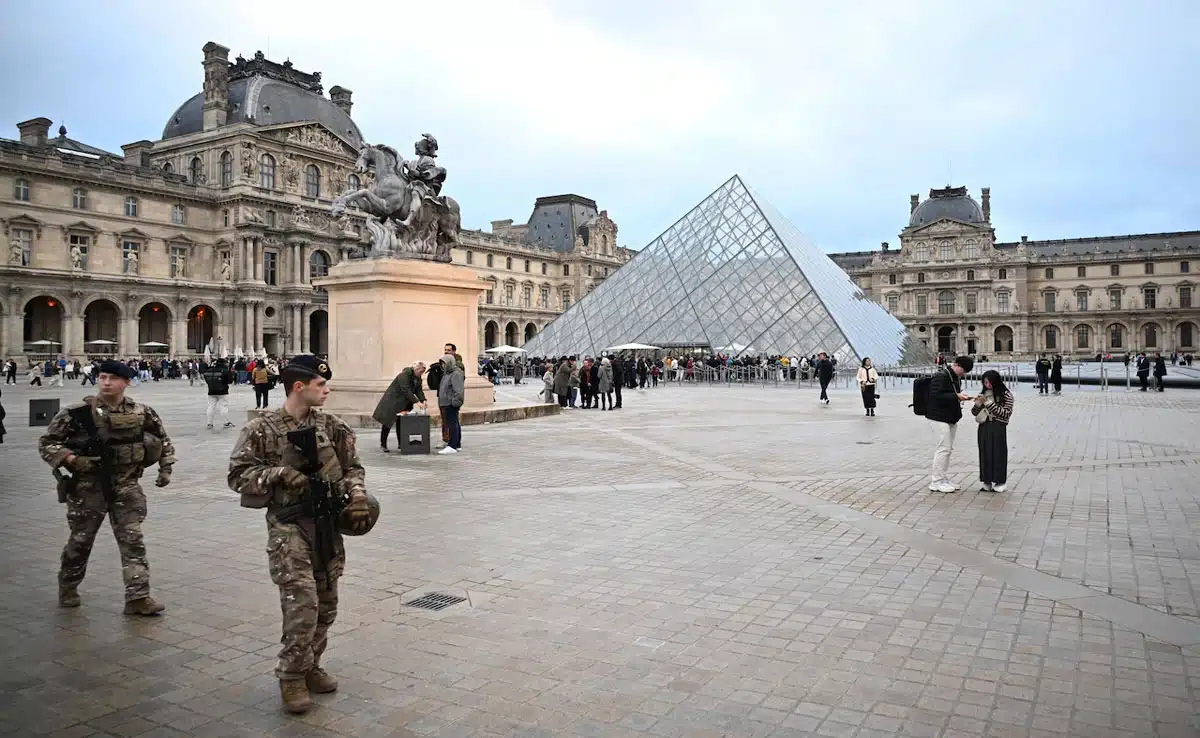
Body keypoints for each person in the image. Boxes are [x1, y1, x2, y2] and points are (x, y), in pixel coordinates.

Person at [227, 355, 373, 715]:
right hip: (289, 526)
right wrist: (275, 473)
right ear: (299, 386)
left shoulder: (333, 426)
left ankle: (310, 665)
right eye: (321, 385)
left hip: (327, 526)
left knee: (327, 604)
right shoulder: (261, 430)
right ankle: (291, 677)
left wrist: (356, 498)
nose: (326, 390)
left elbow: (354, 467)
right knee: (302, 605)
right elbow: (237, 476)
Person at [37, 359, 175, 613]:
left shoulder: (142, 412)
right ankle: (68, 585)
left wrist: (165, 468)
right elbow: (48, 443)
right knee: (81, 541)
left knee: (133, 541)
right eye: (102, 377)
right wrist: (71, 459)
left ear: (126, 382)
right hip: (89, 487)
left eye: (112, 378)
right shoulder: (77, 413)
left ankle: (138, 597)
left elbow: (163, 440)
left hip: (126, 486)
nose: (106, 383)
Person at [927, 355, 974, 493]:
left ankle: (942, 477)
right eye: (964, 371)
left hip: (949, 417)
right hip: (938, 417)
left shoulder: (954, 377)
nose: (964, 374)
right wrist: (956, 396)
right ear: (957, 365)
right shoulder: (941, 376)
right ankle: (936, 481)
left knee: (947, 449)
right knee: (943, 448)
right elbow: (935, 395)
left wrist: (959, 395)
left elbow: (950, 393)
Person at [971, 369, 1014, 492]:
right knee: (985, 453)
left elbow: (1005, 413)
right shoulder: (984, 394)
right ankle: (986, 480)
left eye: (989, 382)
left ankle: (1000, 481)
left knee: (998, 453)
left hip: (998, 426)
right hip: (984, 426)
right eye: (985, 383)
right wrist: (978, 404)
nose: (987, 385)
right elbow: (974, 413)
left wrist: (989, 403)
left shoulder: (1006, 395)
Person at [373, 362, 427, 452]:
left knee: (401, 423)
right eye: (421, 372)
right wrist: (417, 402)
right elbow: (406, 390)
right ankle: (383, 444)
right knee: (387, 423)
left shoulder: (417, 377)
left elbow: (419, 390)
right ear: (416, 369)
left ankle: (401, 444)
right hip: (393, 402)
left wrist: (423, 400)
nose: (421, 374)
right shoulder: (403, 375)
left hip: (404, 403)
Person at [437, 353, 464, 454]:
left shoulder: (455, 373)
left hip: (451, 403)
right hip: (446, 403)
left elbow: (458, 390)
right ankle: (456, 444)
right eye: (442, 363)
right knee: (453, 423)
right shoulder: (446, 374)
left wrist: (455, 402)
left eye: (444, 363)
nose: (443, 365)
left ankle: (452, 445)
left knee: (452, 424)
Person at [203, 358, 236, 429]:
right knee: (223, 407)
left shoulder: (210, 370)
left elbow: (206, 378)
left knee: (211, 407)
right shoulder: (225, 371)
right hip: (223, 392)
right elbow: (230, 381)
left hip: (211, 391)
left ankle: (209, 423)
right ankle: (226, 422)